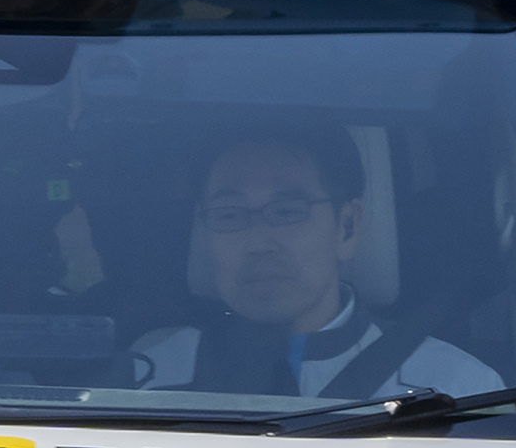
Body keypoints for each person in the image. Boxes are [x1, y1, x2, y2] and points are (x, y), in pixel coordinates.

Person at [134, 128, 491, 396]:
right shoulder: (143, 378)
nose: (258, 242)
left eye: (287, 211)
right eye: (229, 215)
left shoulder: (455, 390)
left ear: (348, 227)